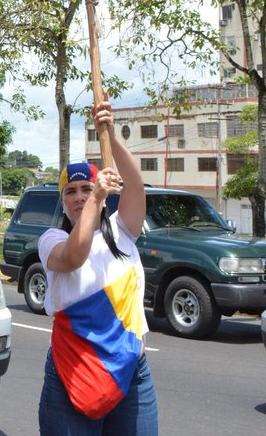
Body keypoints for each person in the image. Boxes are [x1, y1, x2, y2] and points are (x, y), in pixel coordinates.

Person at [38, 100, 157, 436]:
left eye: (86, 189)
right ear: (63, 200)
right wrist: (96, 198)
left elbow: (135, 187)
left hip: (132, 373)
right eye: (71, 192)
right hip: (73, 374)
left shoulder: (122, 230)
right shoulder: (50, 239)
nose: (79, 197)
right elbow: (74, 258)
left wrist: (110, 132)